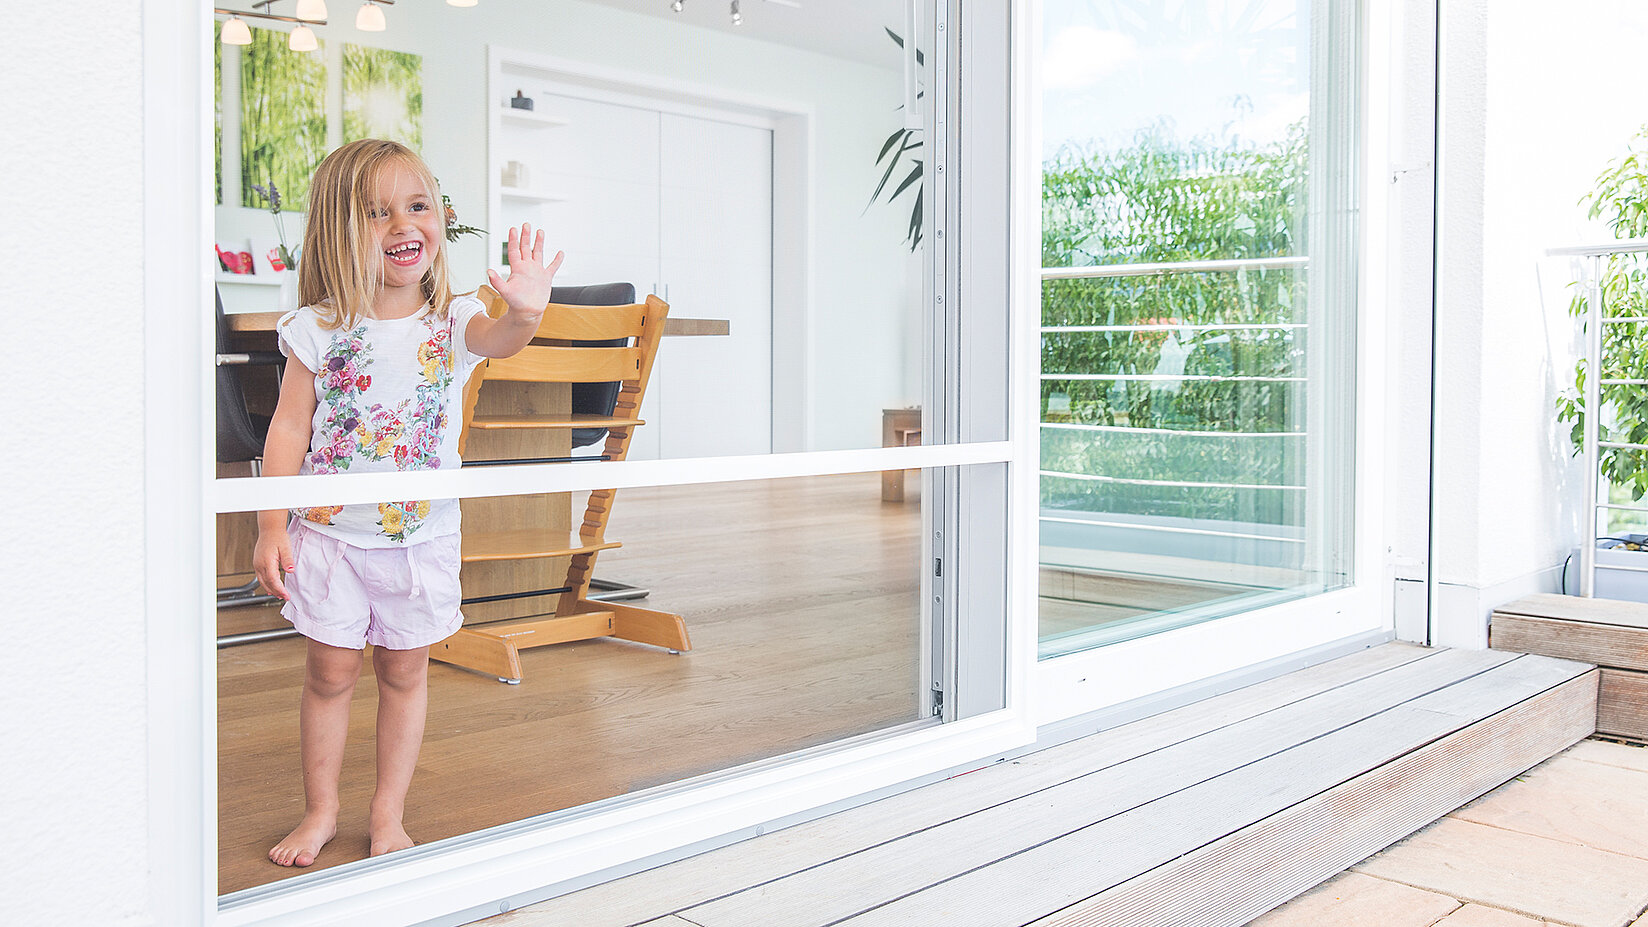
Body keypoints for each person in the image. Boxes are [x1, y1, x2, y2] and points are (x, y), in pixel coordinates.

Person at [253, 138, 563, 867]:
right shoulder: (318, 328)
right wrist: (271, 522)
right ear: (337, 229)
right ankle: (321, 809)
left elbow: (504, 337)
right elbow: (288, 427)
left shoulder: (453, 320)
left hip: (420, 541)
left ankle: (386, 812)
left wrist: (525, 310)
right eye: (377, 212)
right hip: (329, 539)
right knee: (329, 675)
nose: (403, 224)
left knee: (405, 672)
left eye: (416, 205)